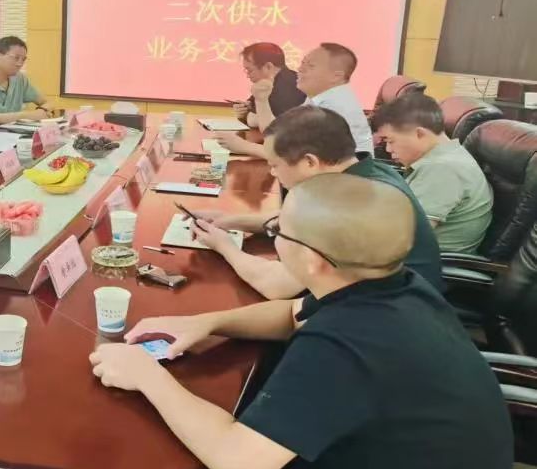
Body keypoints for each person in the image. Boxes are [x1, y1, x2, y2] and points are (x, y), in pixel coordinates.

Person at [89, 174, 512, 469]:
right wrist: (206, 322)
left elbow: (239, 465)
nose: (272, 236)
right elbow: (291, 314)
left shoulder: (346, 345)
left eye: (277, 231)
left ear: (313, 260)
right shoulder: (396, 285)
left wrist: (146, 374)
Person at [194, 106, 443, 297]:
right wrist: (231, 221)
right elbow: (304, 222)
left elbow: (276, 285)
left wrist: (224, 246)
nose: (273, 173)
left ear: (309, 162)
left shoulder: (352, 204)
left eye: (275, 164)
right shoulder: (366, 171)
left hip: (386, 313)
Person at [372, 93, 493, 253]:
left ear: (419, 134)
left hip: (423, 261)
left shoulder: (443, 169)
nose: (388, 149)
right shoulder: (447, 156)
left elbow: (404, 235)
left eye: (390, 141)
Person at [217, 43, 374, 158]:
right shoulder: (318, 97)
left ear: (336, 76)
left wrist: (243, 146)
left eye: (310, 66)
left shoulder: (333, 107)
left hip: (342, 187)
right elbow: (277, 133)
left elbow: (293, 155)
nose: (300, 69)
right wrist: (261, 99)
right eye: (302, 63)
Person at [232, 42, 306, 131]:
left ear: (268, 67)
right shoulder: (268, 83)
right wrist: (243, 110)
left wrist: (249, 115)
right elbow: (251, 109)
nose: (248, 75)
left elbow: (271, 125)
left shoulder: (290, 86)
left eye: (250, 70)